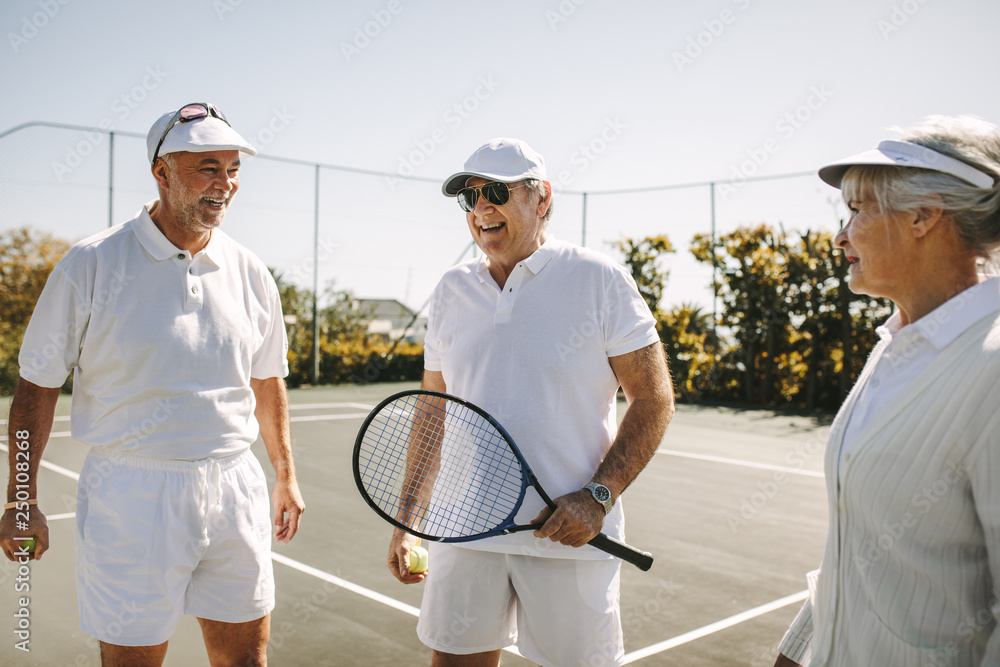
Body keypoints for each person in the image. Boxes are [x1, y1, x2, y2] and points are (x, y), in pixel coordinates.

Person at [0, 103, 305, 667]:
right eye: (208, 168)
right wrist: (23, 498)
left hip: (237, 486)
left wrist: (285, 475)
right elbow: (35, 388)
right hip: (131, 493)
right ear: (161, 172)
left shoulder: (251, 271)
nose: (226, 184)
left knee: (245, 659)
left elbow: (267, 379)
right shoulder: (89, 264)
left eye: (233, 169)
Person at [385, 137, 675, 667]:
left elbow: (654, 398)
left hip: (572, 541)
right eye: (469, 198)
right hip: (462, 534)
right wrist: (408, 520)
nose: (481, 208)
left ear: (541, 198)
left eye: (496, 191)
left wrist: (597, 498)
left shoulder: (599, 279)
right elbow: (433, 408)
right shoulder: (451, 289)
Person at [774, 115, 1000, 666]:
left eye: (856, 209)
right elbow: (858, 547)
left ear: (923, 216)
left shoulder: (992, 368)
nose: (840, 235)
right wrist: (796, 652)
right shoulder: (893, 348)